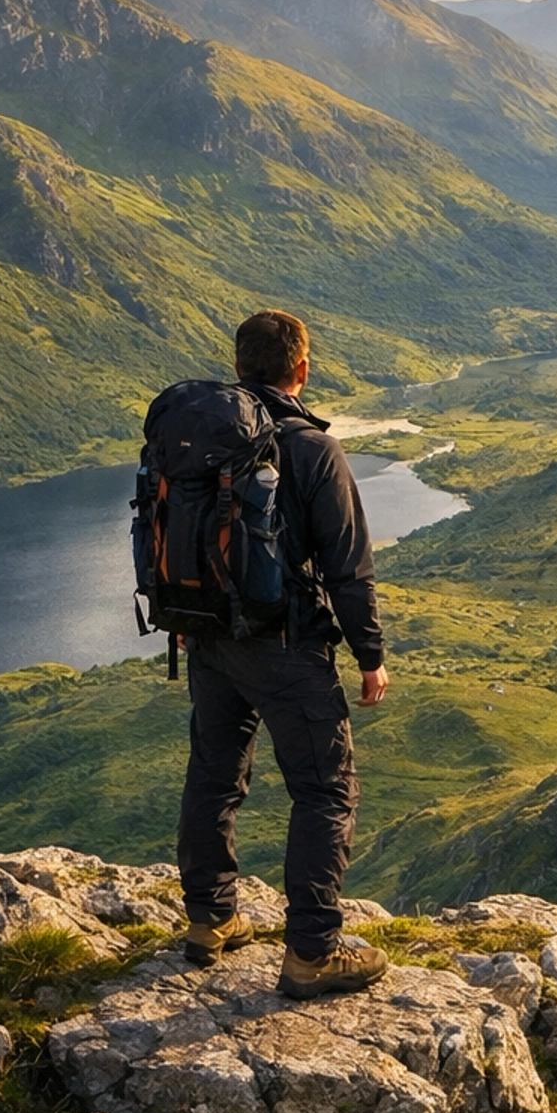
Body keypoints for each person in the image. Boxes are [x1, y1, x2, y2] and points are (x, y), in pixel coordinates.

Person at [176, 308, 391, 997]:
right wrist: (370, 654)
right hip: (286, 644)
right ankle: (311, 954)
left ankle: (210, 921)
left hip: (209, 636)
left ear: (239, 367)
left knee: (214, 773)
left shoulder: (203, 438)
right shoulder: (310, 447)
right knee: (326, 789)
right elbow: (347, 567)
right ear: (302, 369)